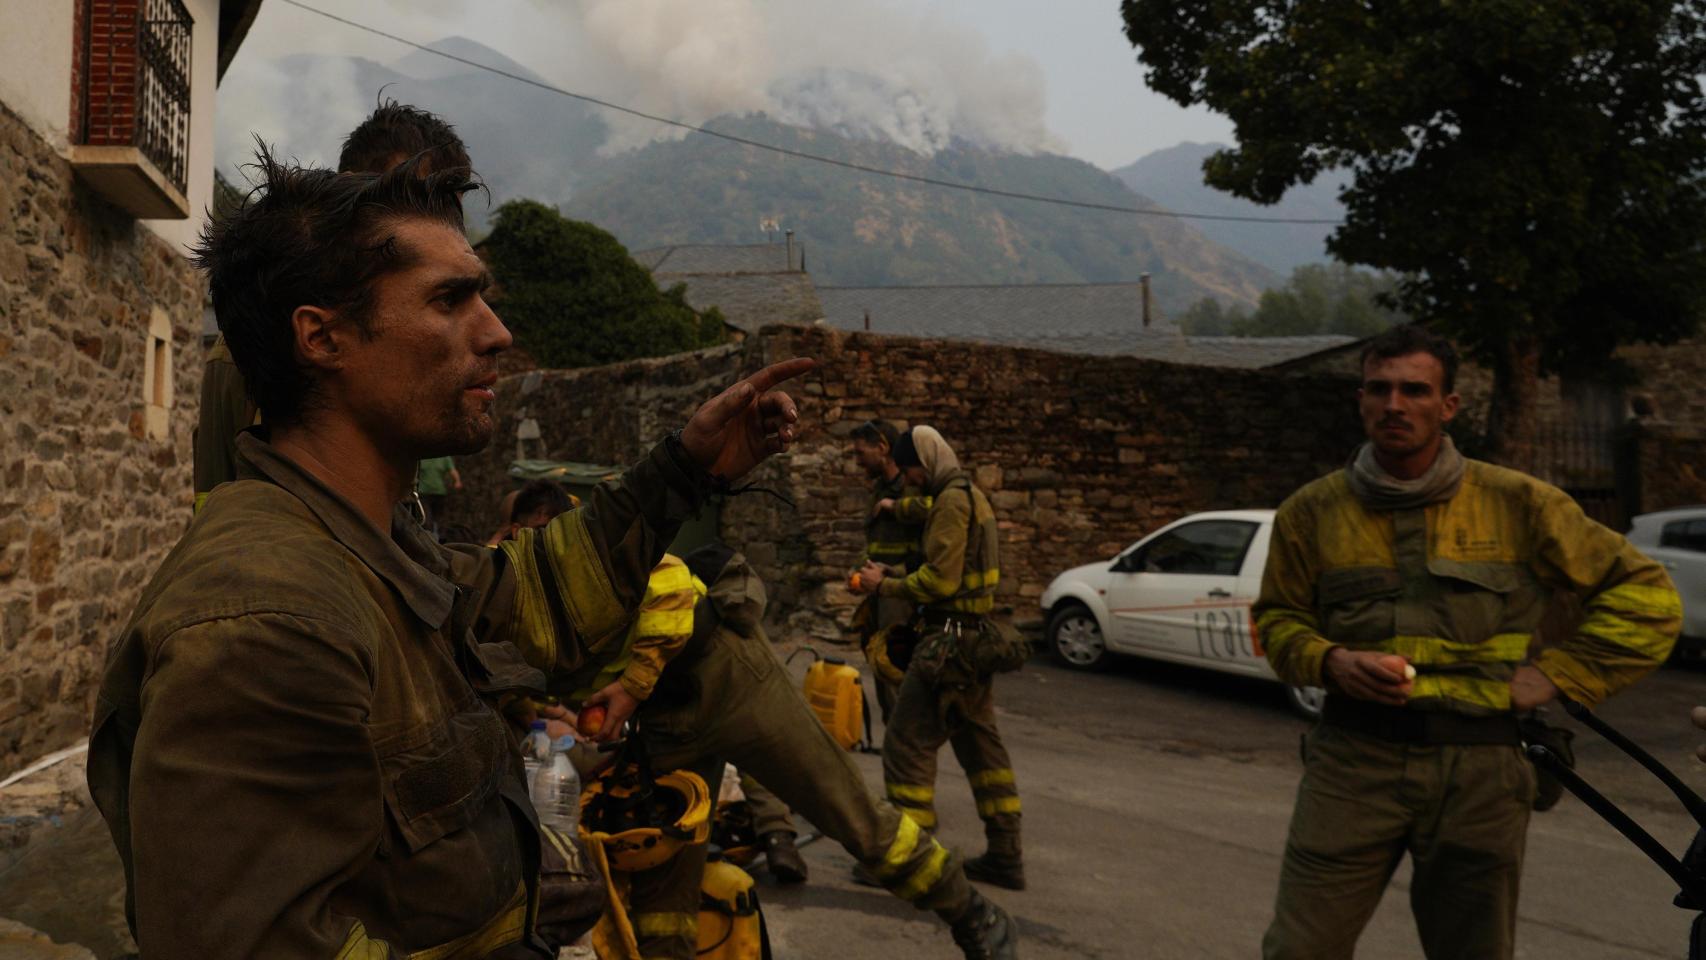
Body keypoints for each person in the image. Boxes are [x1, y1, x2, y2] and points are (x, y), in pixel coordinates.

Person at [85, 150, 814, 959]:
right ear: (321, 337)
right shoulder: (265, 620)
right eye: (450, 299)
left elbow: (525, 601)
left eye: (484, 297)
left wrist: (680, 469)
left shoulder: (370, 543)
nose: (497, 333)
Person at [1256, 324, 1682, 960]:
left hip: (1482, 771)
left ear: (1447, 405)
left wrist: (1558, 675)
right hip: (1352, 763)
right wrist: (1331, 660)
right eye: (1379, 389)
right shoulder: (1310, 512)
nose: (1395, 405)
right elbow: (1276, 620)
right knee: (1297, 950)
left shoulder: (1520, 505)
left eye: (1414, 390)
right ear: (1362, 399)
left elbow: (1648, 598)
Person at [591, 542, 1018, 960]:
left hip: (729, 674)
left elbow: (667, 585)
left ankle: (971, 913)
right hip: (664, 716)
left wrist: (632, 685)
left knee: (846, 808)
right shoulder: (528, 600)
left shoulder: (582, 545)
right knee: (664, 877)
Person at [192, 99, 475, 512]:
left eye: (447, 207)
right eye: (408, 200)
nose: (435, 226)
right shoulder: (253, 348)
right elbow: (218, 505)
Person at [855, 426, 1026, 892]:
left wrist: (883, 586)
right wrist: (897, 570)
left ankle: (911, 860)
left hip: (947, 645)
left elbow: (941, 583)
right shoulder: (972, 495)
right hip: (974, 642)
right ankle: (1006, 853)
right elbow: (955, 570)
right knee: (981, 749)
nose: (908, 480)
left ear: (925, 462)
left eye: (911, 469)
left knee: (906, 745)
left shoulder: (950, 500)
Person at [849, 419, 931, 721]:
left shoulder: (911, 487)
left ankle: (905, 729)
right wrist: (858, 571)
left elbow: (928, 534)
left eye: (861, 453)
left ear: (882, 448)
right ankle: (893, 727)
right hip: (877, 589)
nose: (857, 462)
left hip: (900, 591)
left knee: (894, 661)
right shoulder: (880, 488)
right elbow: (873, 540)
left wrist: (894, 507)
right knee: (877, 658)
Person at [414, 454, 462, 531]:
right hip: (423, 493)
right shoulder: (422, 457)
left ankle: (441, 539)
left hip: (439, 493)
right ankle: (428, 538)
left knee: (440, 519)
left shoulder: (444, 458)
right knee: (426, 520)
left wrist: (457, 481)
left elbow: (452, 470)